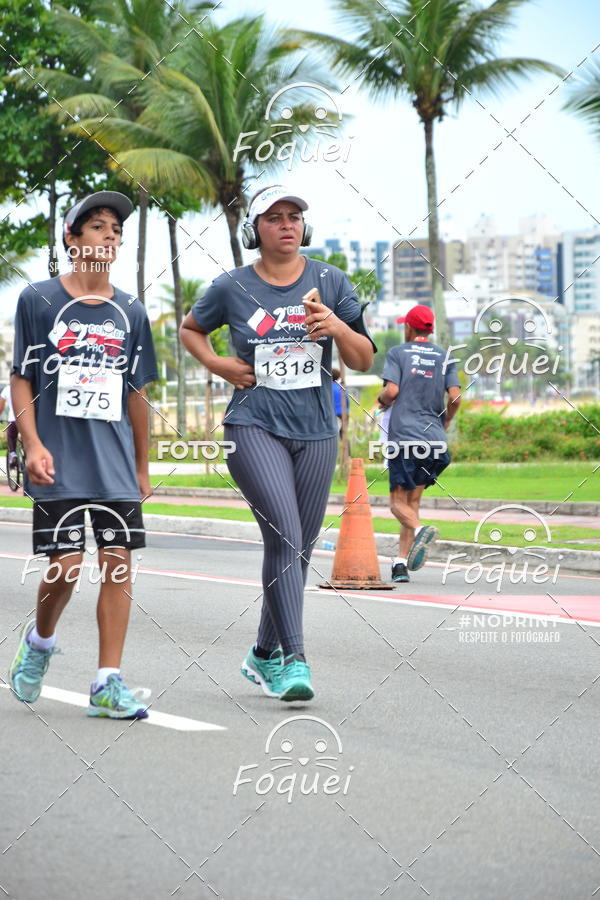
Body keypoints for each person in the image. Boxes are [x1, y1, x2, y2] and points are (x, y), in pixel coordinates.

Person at [181, 184, 375, 702]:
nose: (287, 224)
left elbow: (362, 359)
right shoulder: (231, 286)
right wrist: (219, 364)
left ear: (304, 228)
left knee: (297, 547)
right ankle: (293, 660)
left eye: (295, 216)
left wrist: (334, 323)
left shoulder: (331, 281)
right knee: (287, 537)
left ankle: (264, 651)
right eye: (274, 217)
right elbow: (190, 329)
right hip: (253, 425)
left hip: (315, 431)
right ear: (256, 230)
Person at [9, 191, 158, 718]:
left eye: (115, 229)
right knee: (66, 566)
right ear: (72, 239)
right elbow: (21, 379)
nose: (109, 235)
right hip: (59, 460)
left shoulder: (131, 312)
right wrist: (33, 444)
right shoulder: (39, 300)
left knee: (118, 566)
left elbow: (138, 393)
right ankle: (41, 643)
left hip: (115, 462)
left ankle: (106, 681)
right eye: (97, 227)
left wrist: (142, 464)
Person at [378, 305, 460, 583]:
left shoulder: (398, 353)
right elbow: (456, 397)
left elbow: (392, 391)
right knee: (411, 502)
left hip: (405, 439)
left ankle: (422, 529)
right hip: (435, 441)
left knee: (396, 504)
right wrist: (446, 420)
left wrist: (381, 401)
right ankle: (401, 563)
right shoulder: (444, 356)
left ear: (408, 328)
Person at [0, 383, 18, 462]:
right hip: (27, 420)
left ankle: (13, 454)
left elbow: (0, 407)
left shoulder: (7, 389)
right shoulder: (28, 386)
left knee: (11, 436)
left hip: (13, 419)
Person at [331, 366, 350, 435]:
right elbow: (347, 401)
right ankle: (346, 445)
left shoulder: (327, 388)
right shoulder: (342, 387)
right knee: (344, 435)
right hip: (344, 413)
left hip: (332, 414)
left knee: (332, 434)